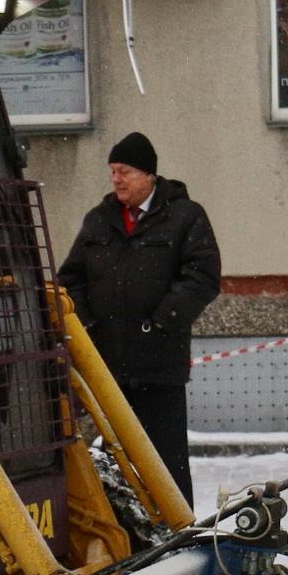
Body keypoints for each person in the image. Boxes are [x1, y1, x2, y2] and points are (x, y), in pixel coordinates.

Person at [56, 132, 221, 497]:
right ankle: (126, 535)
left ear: (149, 175)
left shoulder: (184, 217)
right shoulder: (99, 220)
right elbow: (69, 281)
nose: (116, 179)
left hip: (158, 366)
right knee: (112, 459)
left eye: (124, 171)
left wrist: (162, 321)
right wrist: (89, 324)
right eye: (113, 171)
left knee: (165, 460)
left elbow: (202, 277)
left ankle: (177, 531)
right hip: (107, 366)